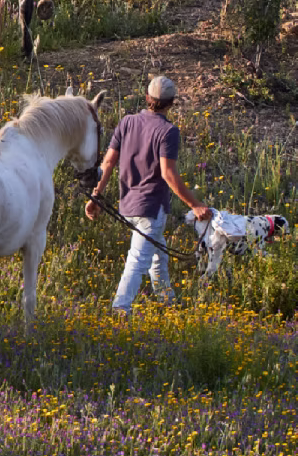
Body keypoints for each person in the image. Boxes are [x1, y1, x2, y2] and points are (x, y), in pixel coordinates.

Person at [85, 75, 213, 315]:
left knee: (158, 253)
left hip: (128, 204)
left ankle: (167, 301)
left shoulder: (127, 122)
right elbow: (168, 173)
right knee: (138, 260)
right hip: (150, 208)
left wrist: (96, 195)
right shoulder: (168, 131)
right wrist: (195, 205)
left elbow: (109, 161)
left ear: (147, 98)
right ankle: (120, 310)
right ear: (171, 103)